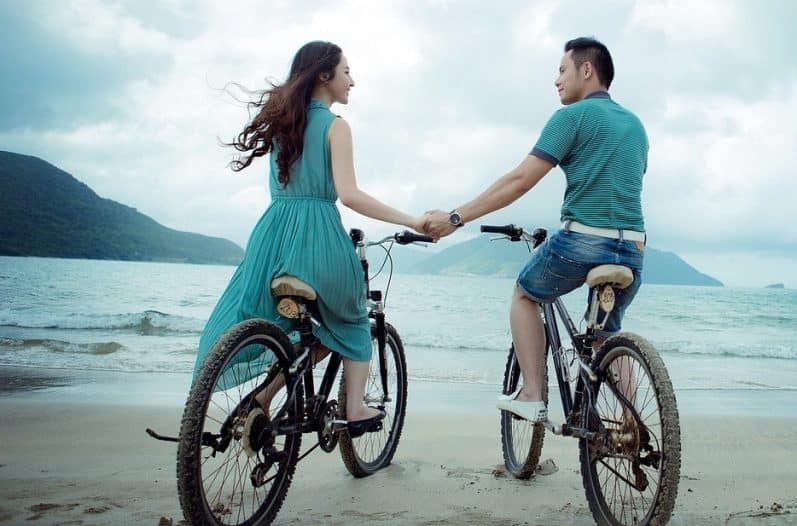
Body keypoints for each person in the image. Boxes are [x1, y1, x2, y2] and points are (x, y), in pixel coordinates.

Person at [196, 40, 426, 434]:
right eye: (347, 71)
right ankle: (354, 407)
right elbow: (350, 195)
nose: (352, 80)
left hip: (272, 240)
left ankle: (263, 398)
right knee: (352, 319)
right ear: (325, 75)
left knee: (304, 330)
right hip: (318, 237)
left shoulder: (283, 124)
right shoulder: (336, 127)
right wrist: (412, 220)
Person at [424, 37, 648, 422]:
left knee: (525, 295)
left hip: (582, 243)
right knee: (605, 336)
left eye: (562, 70)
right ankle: (634, 422)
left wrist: (456, 217)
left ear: (587, 70)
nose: (556, 80)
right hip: (633, 249)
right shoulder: (636, 126)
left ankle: (531, 394)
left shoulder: (571, 118)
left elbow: (520, 181)